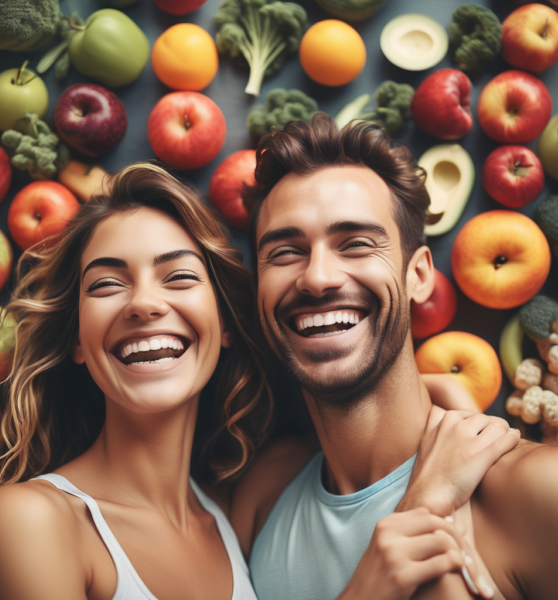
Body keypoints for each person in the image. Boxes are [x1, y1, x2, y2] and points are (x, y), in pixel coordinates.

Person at [0, 162, 512, 600]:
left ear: (225, 323)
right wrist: (384, 564)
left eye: (179, 276)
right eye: (107, 285)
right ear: (78, 339)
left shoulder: (237, 513)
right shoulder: (31, 521)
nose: (145, 304)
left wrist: (450, 405)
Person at [229, 115, 548, 600]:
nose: (316, 277)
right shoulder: (261, 494)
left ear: (419, 275)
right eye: (285, 252)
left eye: (355, 244)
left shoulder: (534, 492)